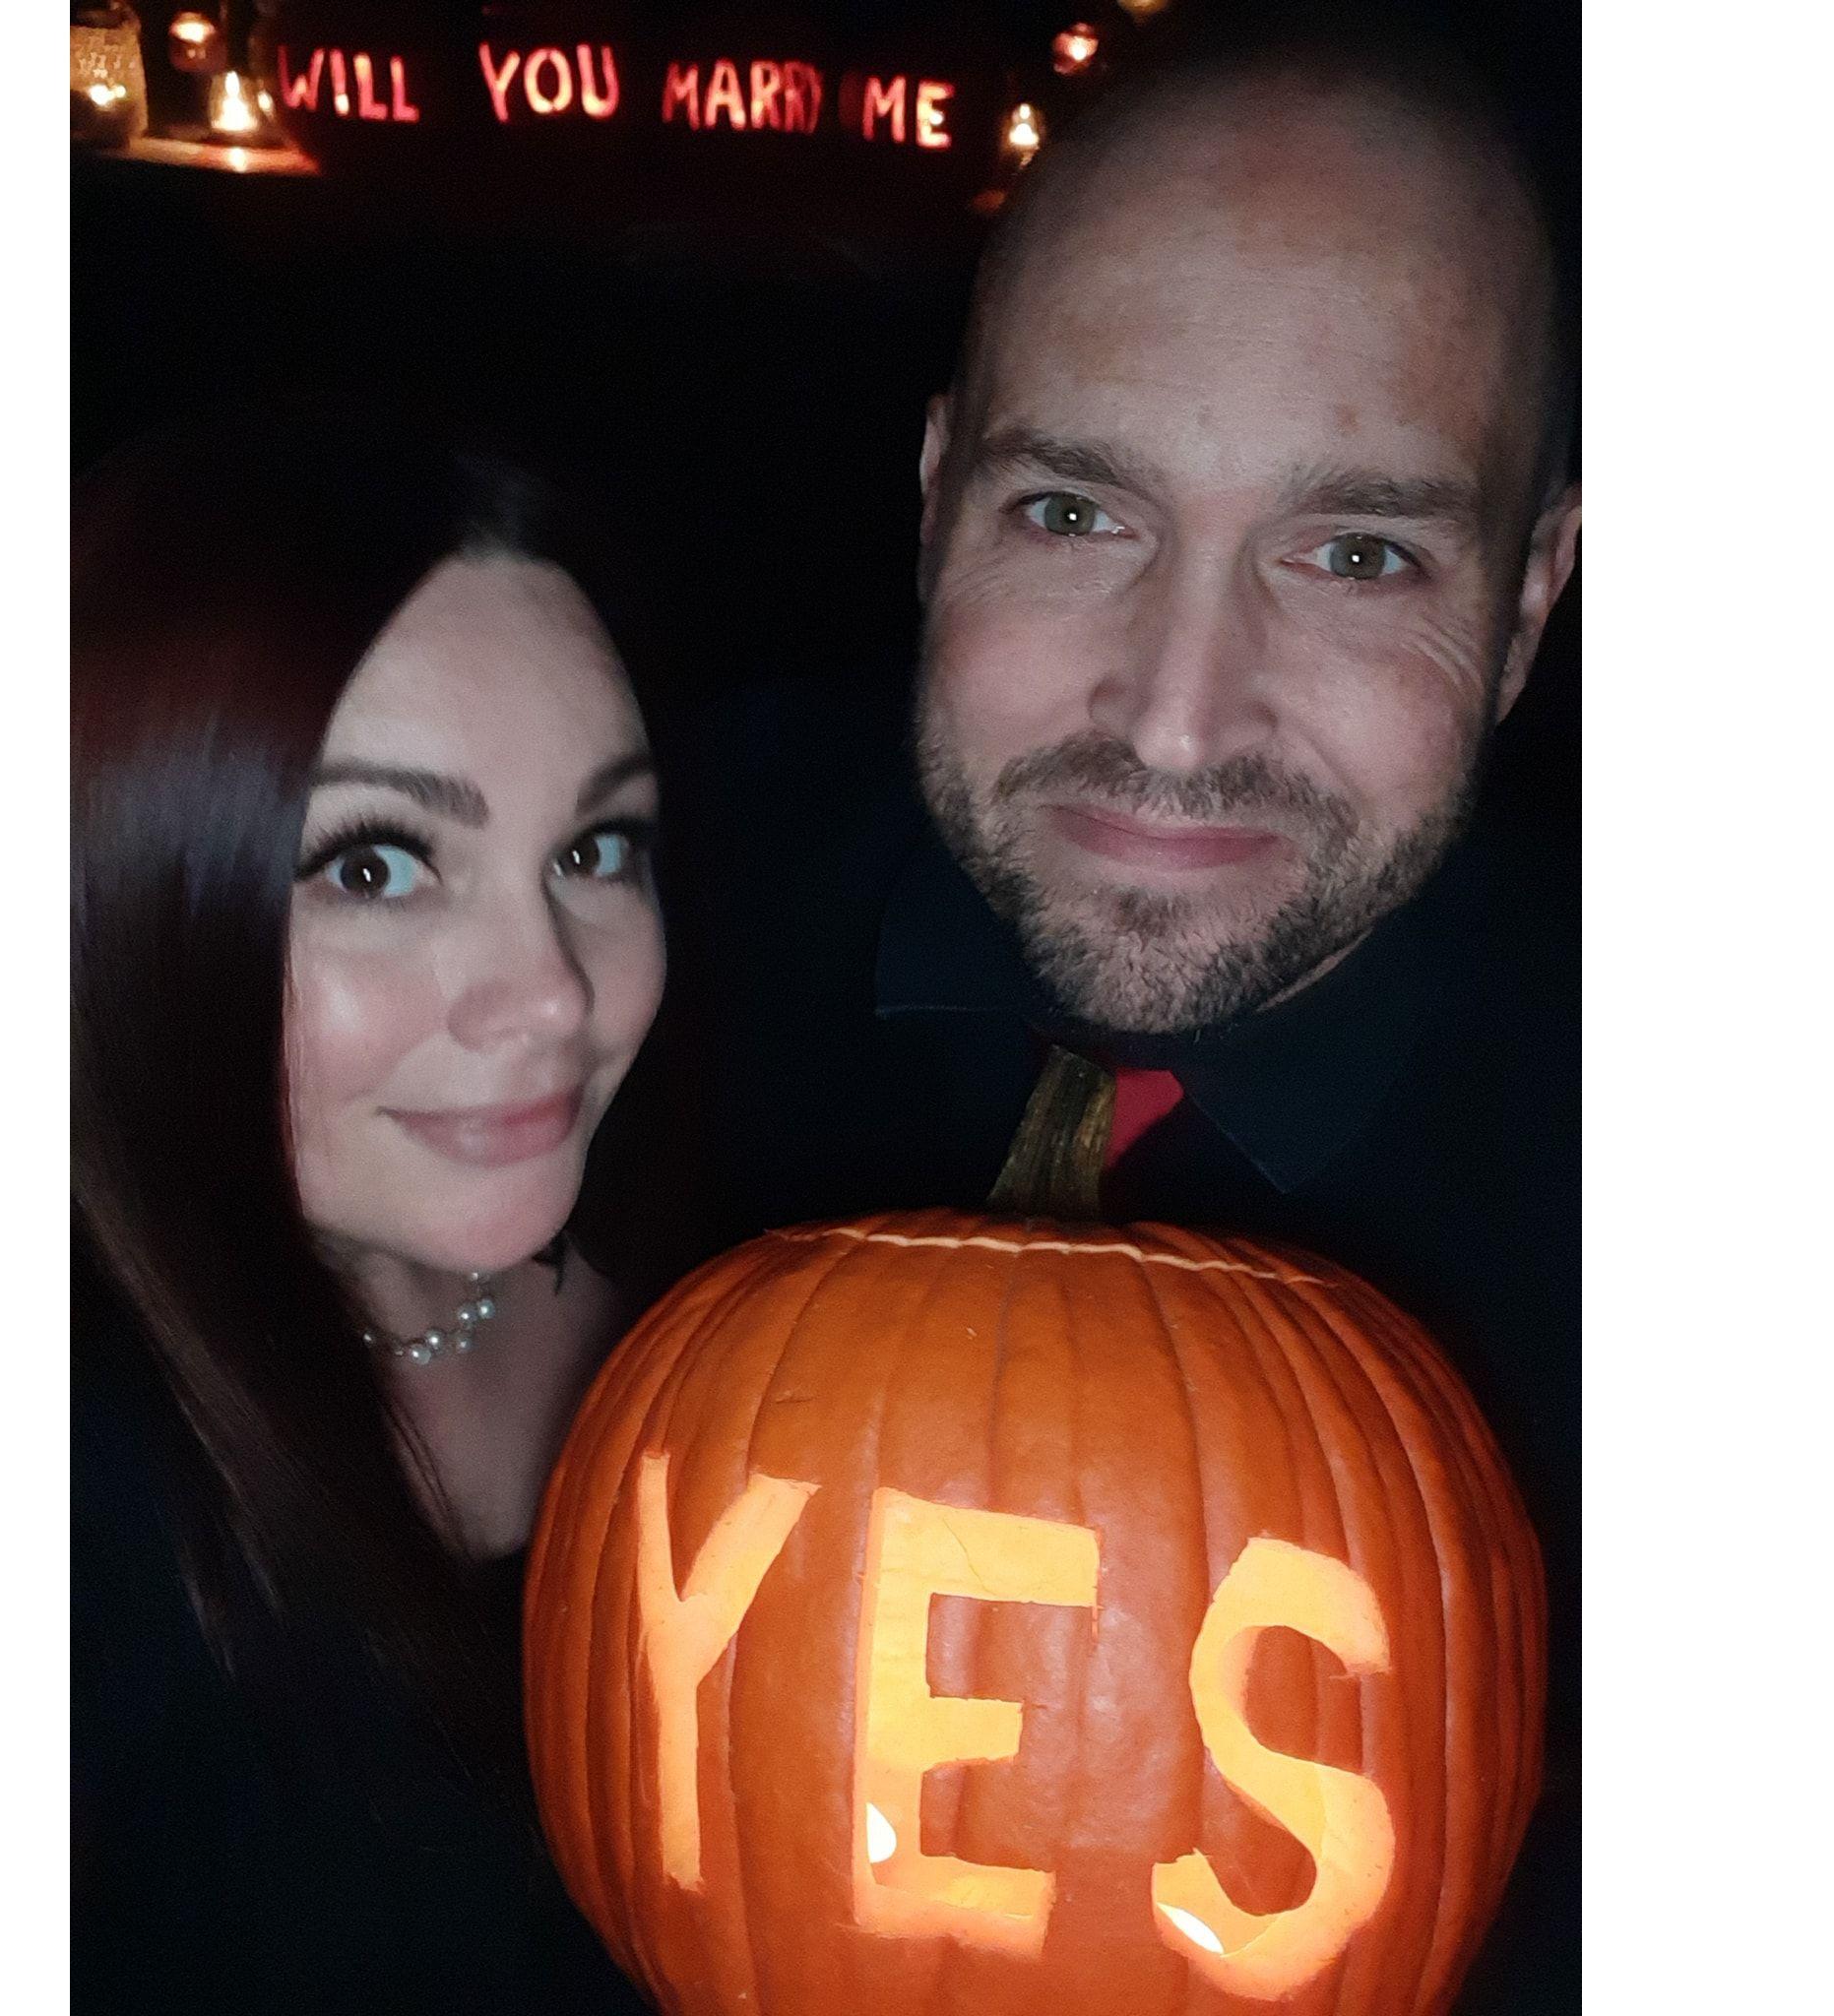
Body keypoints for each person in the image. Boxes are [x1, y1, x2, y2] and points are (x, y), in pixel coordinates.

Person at [659, 9, 1581, 2008]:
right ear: (934, 503)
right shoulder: (640, 921)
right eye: (1073, 515)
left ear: (1521, 609)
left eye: (1353, 553)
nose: (1172, 720)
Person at [73, 419, 659, 2012]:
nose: (551, 994)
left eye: (599, 848)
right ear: (130, 890)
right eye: (378, 866)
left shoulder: (737, 1277)